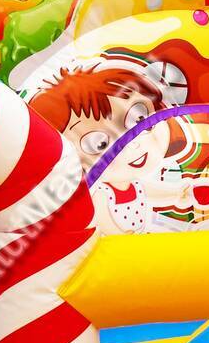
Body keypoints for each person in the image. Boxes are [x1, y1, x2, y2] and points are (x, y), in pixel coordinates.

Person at [29, 66, 196, 234]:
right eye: (100, 144)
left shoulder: (136, 184)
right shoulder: (103, 193)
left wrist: (176, 194)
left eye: (140, 119)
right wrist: (122, 238)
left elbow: (150, 192)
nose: (132, 144)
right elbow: (104, 221)